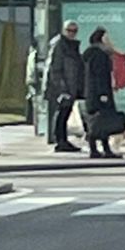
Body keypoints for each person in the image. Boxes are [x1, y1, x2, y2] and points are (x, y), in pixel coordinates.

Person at [81, 25, 125, 159]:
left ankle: (98, 148)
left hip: (93, 92)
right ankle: (100, 149)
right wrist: (103, 94)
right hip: (100, 92)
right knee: (101, 120)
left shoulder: (93, 53)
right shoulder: (99, 54)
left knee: (97, 121)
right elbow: (100, 75)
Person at [43, 20, 82, 153]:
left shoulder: (71, 45)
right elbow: (55, 68)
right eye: (69, 30)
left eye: (74, 31)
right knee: (62, 112)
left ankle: (62, 139)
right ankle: (60, 140)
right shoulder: (60, 45)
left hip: (70, 84)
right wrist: (62, 88)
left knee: (65, 113)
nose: (72, 34)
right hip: (62, 86)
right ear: (64, 30)